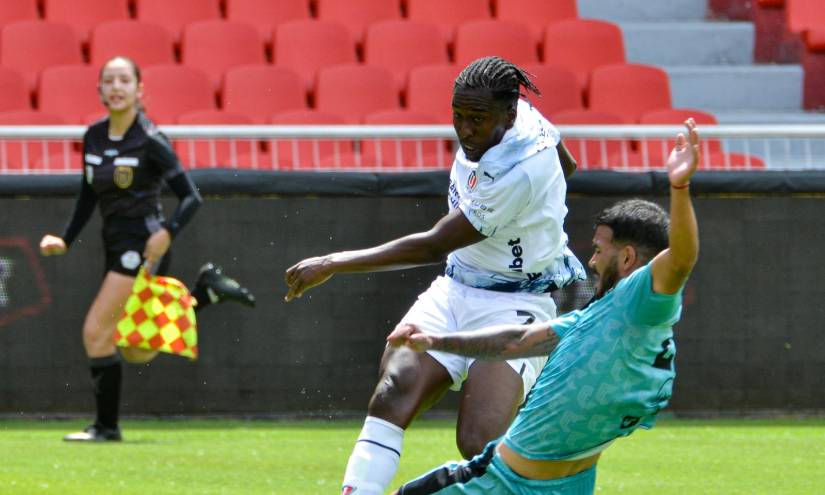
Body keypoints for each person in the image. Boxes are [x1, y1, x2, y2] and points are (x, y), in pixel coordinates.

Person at [284, 56, 585, 495]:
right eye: (458, 116)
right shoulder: (526, 118)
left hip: (517, 301)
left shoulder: (521, 169)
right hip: (456, 287)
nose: (465, 130)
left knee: (478, 439)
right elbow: (569, 165)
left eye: (477, 120)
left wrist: (333, 262)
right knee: (392, 390)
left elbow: (433, 244)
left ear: (508, 114)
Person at [386, 119, 701, 494]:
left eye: (600, 250)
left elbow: (680, 260)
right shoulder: (596, 319)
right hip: (546, 484)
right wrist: (436, 341)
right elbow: (514, 341)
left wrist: (679, 187)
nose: (593, 262)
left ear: (629, 258)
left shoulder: (641, 302)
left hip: (502, 484)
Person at [39, 56, 256, 442]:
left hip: (143, 246)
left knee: (95, 333)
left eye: (124, 80)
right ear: (100, 90)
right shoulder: (93, 136)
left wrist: (169, 232)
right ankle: (201, 295)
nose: (116, 87)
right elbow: (89, 194)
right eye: (109, 81)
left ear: (140, 90)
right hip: (115, 244)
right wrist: (65, 239)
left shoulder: (151, 140)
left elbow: (191, 197)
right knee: (137, 349)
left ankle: (106, 429)